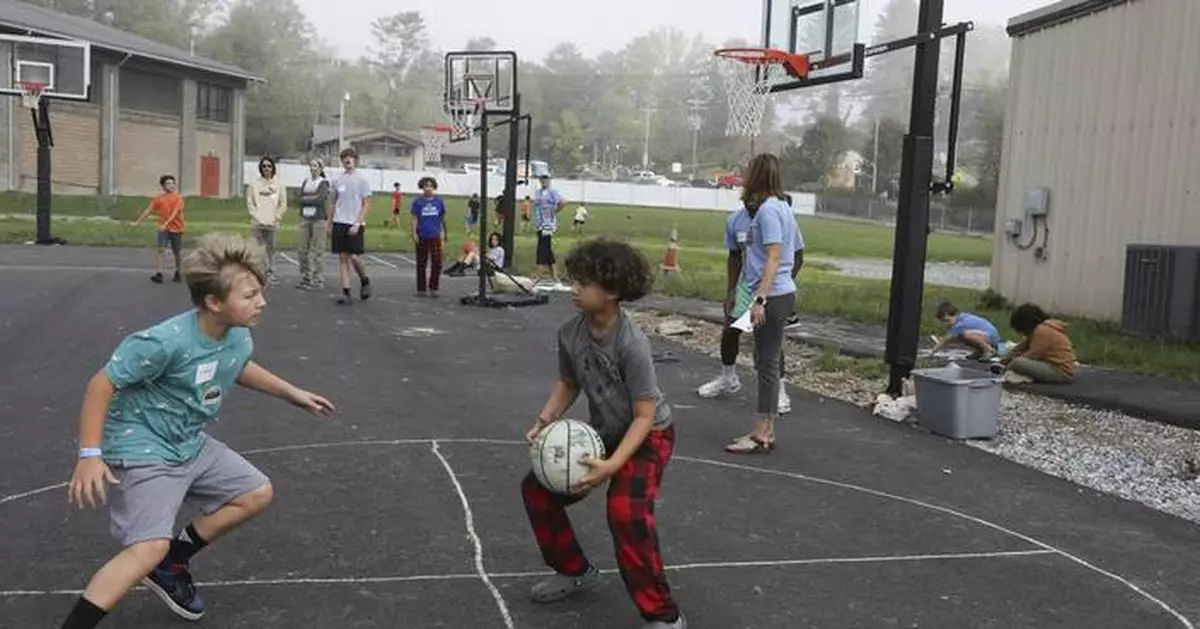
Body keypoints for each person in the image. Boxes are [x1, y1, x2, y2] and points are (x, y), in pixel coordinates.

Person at [57, 233, 334, 629]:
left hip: (188, 442)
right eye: (250, 295)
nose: (262, 302)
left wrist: (292, 393)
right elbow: (102, 384)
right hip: (143, 448)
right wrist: (89, 455)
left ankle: (172, 563)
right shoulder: (162, 343)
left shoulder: (236, 333)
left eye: (260, 291)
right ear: (214, 302)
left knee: (255, 493)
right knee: (146, 548)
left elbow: (236, 364)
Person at [521, 238, 686, 629]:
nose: (574, 289)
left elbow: (645, 415)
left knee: (626, 512)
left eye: (584, 283)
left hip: (649, 435)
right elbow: (568, 382)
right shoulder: (570, 333)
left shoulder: (632, 343)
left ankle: (664, 615)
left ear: (612, 291)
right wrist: (544, 420)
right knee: (537, 492)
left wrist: (613, 465)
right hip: (606, 433)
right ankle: (573, 569)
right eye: (574, 280)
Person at [696, 199, 805, 414]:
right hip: (748, 284)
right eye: (748, 199)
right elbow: (734, 256)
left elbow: (798, 255)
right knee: (730, 329)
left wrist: (781, 282)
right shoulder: (737, 220)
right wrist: (731, 292)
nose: (752, 202)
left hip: (774, 285)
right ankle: (728, 379)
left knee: (768, 340)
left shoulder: (778, 215)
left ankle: (780, 390)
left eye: (756, 199)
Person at [724, 154, 798, 455]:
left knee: (766, 365)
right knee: (765, 362)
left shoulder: (768, 211)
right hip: (778, 292)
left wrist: (759, 299)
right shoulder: (782, 207)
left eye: (748, 170)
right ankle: (765, 430)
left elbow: (774, 257)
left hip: (773, 294)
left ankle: (761, 434)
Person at [328, 148, 373, 305]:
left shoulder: (361, 180)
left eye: (351, 157)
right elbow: (332, 202)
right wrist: (330, 224)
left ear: (355, 160)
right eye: (345, 157)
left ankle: (364, 280)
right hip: (340, 221)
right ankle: (346, 292)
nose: (348, 160)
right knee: (343, 258)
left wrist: (357, 223)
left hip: (355, 222)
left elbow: (367, 204)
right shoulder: (337, 180)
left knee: (355, 257)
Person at [1000, 303, 1076, 383]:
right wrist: (1004, 359)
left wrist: (1009, 366)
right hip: (1054, 366)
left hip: (1060, 372)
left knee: (1017, 362)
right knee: (1017, 361)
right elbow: (1020, 347)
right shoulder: (1040, 329)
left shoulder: (1042, 331)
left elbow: (1033, 355)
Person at [133, 175, 185, 284]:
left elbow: (175, 213)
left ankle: (178, 272)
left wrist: (166, 224)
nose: (171, 186)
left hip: (176, 229)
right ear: (163, 186)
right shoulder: (159, 198)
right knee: (161, 249)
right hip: (163, 228)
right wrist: (138, 222)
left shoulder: (178, 198)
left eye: (172, 183)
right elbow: (148, 210)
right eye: (168, 183)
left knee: (177, 252)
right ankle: (159, 274)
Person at [246, 156, 287, 286]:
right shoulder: (254, 185)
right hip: (258, 223)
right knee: (257, 249)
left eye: (269, 166)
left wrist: (276, 217)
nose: (266, 169)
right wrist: (257, 217)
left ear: (273, 168)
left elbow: (283, 204)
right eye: (264, 166)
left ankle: (269, 272)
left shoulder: (279, 185)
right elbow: (250, 202)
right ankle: (257, 274)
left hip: (272, 223)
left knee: (270, 249)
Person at [295, 159, 330, 290]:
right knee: (302, 250)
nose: (312, 168)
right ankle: (306, 276)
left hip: (319, 219)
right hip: (305, 218)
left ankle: (318, 278)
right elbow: (299, 198)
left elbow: (319, 199)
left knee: (318, 250)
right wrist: (308, 199)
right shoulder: (306, 182)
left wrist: (307, 199)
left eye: (315, 166)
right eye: (311, 165)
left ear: (320, 168)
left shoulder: (323, 183)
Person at [410, 176, 448, 297]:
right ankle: (421, 289)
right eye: (426, 186)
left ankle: (434, 288)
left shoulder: (439, 201)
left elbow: (441, 218)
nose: (428, 188)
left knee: (437, 262)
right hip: (422, 234)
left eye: (430, 186)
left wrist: (442, 233)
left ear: (434, 187)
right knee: (421, 262)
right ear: (422, 187)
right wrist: (414, 233)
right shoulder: (418, 201)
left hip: (435, 234)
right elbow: (415, 218)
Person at [932, 301, 1003, 359]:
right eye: (943, 321)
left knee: (965, 335)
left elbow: (946, 340)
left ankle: (989, 350)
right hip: (988, 335)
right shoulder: (961, 318)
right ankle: (981, 351)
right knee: (962, 335)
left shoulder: (960, 325)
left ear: (954, 315)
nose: (945, 324)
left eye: (947, 320)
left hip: (991, 336)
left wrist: (933, 351)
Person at [533, 174, 566, 284]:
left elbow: (563, 202)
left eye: (545, 179)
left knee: (542, 247)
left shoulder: (552, 192)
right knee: (546, 248)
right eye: (542, 179)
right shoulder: (538, 192)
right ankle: (554, 275)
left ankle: (539, 274)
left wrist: (554, 211)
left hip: (548, 223)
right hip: (539, 222)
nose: (543, 181)